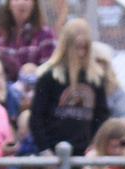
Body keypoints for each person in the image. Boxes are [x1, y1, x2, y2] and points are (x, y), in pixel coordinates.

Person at [27, 16, 111, 152]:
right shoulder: (49, 77)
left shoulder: (95, 79)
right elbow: (37, 117)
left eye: (85, 48)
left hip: (85, 152)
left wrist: (96, 145)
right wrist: (45, 150)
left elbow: (102, 116)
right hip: (54, 151)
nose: (81, 53)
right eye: (77, 48)